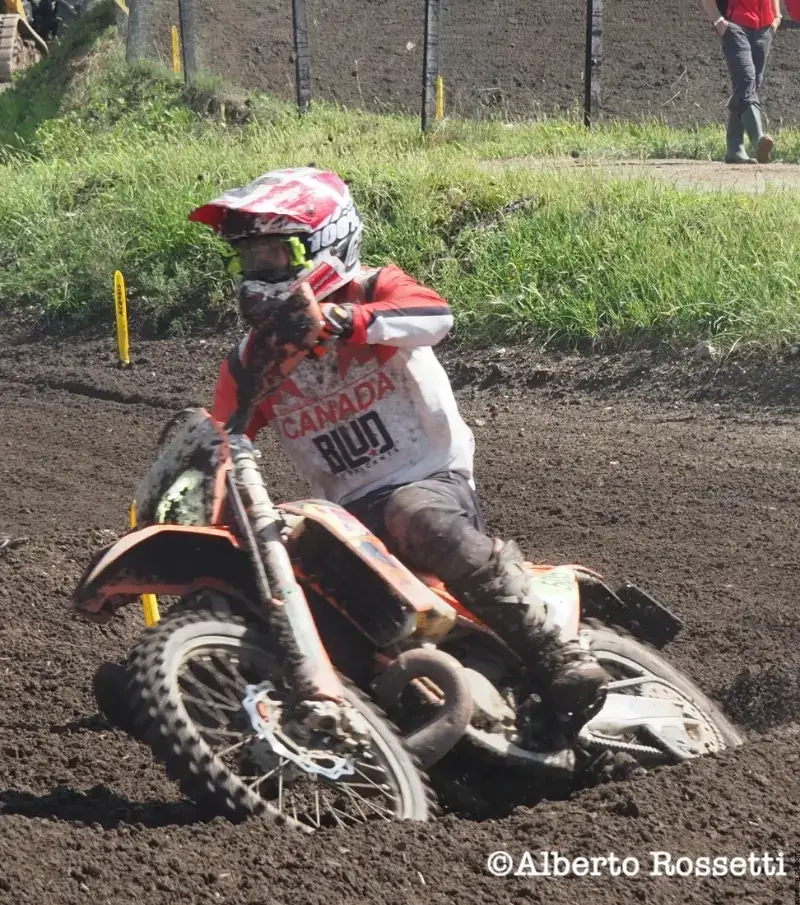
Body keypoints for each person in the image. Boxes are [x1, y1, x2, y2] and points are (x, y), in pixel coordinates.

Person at [188, 167, 609, 737]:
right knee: (283, 577)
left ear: (325, 243)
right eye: (249, 258)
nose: (259, 272)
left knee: (412, 512)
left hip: (431, 480)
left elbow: (436, 316)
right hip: (345, 517)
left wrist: (343, 322)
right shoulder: (252, 360)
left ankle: (552, 648)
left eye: (274, 254)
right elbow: (223, 439)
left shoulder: (373, 289)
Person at [702, 0, 782, 163]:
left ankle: (735, 150)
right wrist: (718, 20)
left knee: (750, 86)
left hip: (764, 29)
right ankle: (758, 139)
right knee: (746, 80)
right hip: (735, 26)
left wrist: (777, 17)